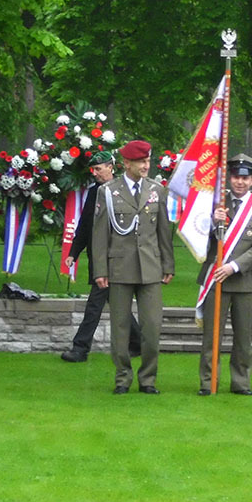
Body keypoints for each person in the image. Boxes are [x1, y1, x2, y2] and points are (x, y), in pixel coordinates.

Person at [92, 139, 175, 394]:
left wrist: (167, 264)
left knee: (152, 327)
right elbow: (100, 235)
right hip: (120, 268)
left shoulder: (156, 190)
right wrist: (100, 270)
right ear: (126, 163)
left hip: (150, 267)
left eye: (148, 160)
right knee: (120, 328)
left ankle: (148, 379)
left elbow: (164, 231)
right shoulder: (108, 191)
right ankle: (122, 378)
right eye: (141, 161)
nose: (146, 166)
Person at [196, 153, 252, 396]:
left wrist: (234, 266)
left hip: (243, 280)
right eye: (235, 177)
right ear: (228, 178)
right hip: (215, 278)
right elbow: (196, 236)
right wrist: (210, 222)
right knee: (211, 337)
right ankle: (209, 383)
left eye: (245, 178)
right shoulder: (215, 204)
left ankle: (241, 383)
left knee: (243, 338)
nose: (239, 182)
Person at [61, 151, 142, 363]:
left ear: (110, 167)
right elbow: (86, 225)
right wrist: (73, 253)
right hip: (98, 258)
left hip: (116, 258)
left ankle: (80, 348)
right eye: (93, 169)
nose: (95, 173)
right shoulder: (94, 193)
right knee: (115, 303)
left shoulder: (123, 191)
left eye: (98, 169)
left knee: (95, 305)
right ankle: (139, 341)